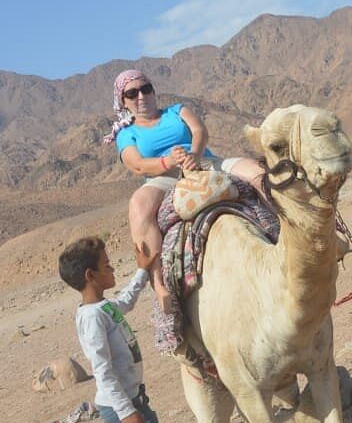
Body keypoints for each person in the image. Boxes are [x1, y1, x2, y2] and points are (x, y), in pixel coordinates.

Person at [103, 69, 264, 310]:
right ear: (123, 101)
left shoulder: (177, 111)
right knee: (138, 206)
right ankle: (159, 285)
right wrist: (169, 162)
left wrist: (194, 156)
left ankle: (291, 230)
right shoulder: (127, 133)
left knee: (256, 172)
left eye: (146, 89)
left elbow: (200, 131)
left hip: (204, 161)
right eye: (132, 93)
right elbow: (136, 165)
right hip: (163, 176)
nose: (141, 96)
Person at [59, 237, 178, 423]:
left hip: (133, 399)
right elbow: (102, 370)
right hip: (120, 406)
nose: (112, 269)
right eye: (107, 265)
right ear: (90, 275)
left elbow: (126, 300)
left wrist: (142, 271)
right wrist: (125, 411)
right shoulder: (92, 318)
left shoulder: (103, 308)